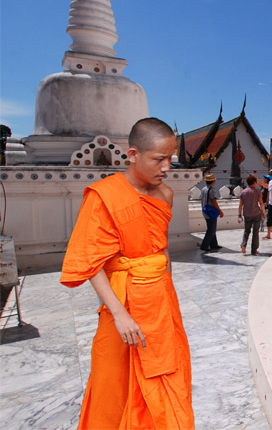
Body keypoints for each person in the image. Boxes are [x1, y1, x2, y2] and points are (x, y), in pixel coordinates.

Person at [60, 117, 194, 429]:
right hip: (121, 300)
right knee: (115, 381)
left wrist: (167, 292)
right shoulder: (104, 195)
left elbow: (160, 248)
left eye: (170, 159)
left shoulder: (165, 195)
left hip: (159, 300)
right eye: (158, 159)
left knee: (166, 375)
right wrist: (119, 314)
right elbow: (93, 263)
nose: (166, 168)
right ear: (132, 155)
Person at [238, 174, 265, 255]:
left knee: (246, 231)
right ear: (254, 182)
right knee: (255, 232)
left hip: (247, 213)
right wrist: (264, 213)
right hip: (256, 213)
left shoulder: (243, 192)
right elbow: (261, 203)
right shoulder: (257, 191)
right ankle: (254, 250)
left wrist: (239, 215)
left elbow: (240, 205)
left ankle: (243, 246)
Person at [200, 173, 224, 251]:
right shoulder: (212, 190)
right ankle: (204, 246)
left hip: (205, 210)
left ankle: (214, 244)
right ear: (212, 181)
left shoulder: (203, 189)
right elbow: (213, 200)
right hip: (211, 211)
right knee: (211, 229)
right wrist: (220, 211)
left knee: (211, 228)